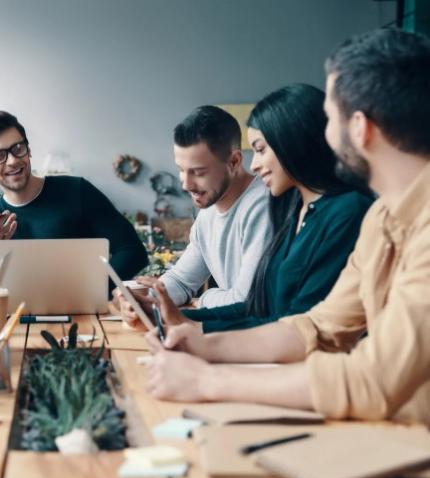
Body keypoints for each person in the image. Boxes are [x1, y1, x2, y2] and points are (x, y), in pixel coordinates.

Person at [145, 29, 430, 425]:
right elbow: (318, 326)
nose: (324, 134)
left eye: (330, 118)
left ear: (360, 128)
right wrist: (206, 346)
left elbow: (373, 379)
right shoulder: (383, 218)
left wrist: (210, 380)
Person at [151, 84, 373, 333]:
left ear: (292, 143)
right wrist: (183, 319)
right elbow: (261, 307)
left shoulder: (345, 211)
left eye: (260, 150)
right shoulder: (295, 208)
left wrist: (198, 328)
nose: (254, 164)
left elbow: (299, 327)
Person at [0, 110, 148, 296]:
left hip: (84, 320)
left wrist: (91, 290)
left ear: (29, 150)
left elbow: (132, 251)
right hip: (17, 323)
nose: (12, 161)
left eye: (18, 148)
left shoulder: (77, 191)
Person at [117, 105, 271, 328]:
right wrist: (147, 300)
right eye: (181, 169)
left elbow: (247, 301)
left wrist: (205, 299)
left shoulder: (261, 206)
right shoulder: (208, 210)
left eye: (198, 172)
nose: (186, 184)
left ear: (234, 162)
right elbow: (181, 280)